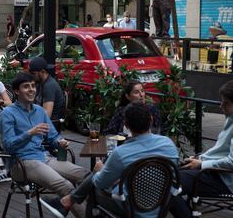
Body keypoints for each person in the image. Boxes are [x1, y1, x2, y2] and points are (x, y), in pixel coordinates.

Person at [40, 102, 179, 218]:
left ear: (126, 125)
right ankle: (67, 201)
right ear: (151, 120)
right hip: (160, 206)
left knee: (94, 186)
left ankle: (68, 202)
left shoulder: (121, 153)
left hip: (129, 208)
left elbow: (100, 183)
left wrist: (99, 171)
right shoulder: (168, 145)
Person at [0, 72, 90, 218]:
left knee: (88, 176)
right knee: (65, 185)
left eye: (33, 86)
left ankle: (94, 212)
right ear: (16, 91)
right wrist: (29, 133)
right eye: (26, 87)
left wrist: (59, 142)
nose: (31, 89)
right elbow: (8, 145)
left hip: (43, 157)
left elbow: (53, 136)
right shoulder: (8, 114)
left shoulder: (39, 111)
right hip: (21, 162)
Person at [170, 80, 233, 217]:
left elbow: (231, 161)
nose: (221, 106)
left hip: (225, 179)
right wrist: (200, 158)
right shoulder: (230, 118)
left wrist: (202, 164)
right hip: (216, 173)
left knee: (166, 185)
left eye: (225, 103)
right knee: (167, 177)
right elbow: (220, 150)